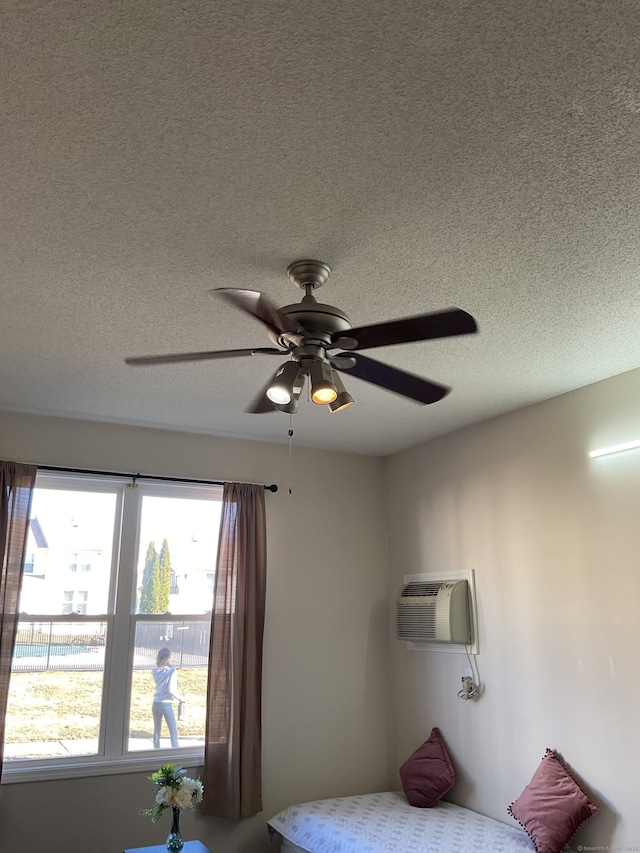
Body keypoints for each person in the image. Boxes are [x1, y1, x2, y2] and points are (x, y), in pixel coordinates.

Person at [151, 647, 183, 749]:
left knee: (157, 729)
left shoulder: (155, 671)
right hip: (166, 702)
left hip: (156, 702)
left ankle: (156, 750)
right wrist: (180, 698)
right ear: (168, 658)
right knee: (173, 730)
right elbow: (171, 689)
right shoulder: (172, 671)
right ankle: (175, 750)